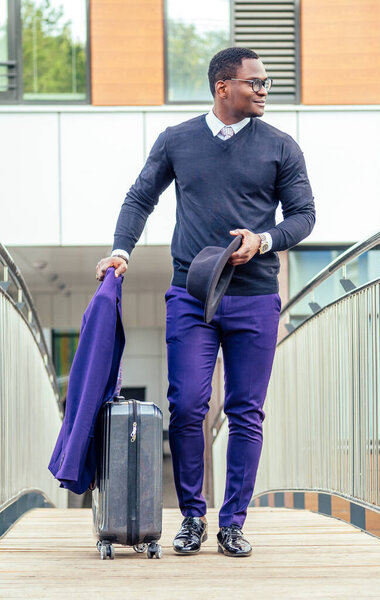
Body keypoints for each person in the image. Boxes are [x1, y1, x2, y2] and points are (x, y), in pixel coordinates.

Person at [96, 47, 315, 557]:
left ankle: (233, 522)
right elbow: (139, 198)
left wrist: (263, 240)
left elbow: (304, 216)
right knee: (189, 405)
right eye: (255, 83)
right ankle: (193, 517)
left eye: (267, 83)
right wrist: (120, 251)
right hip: (191, 296)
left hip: (256, 296)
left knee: (245, 412)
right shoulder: (178, 140)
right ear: (223, 87)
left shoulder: (281, 147)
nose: (265, 91)